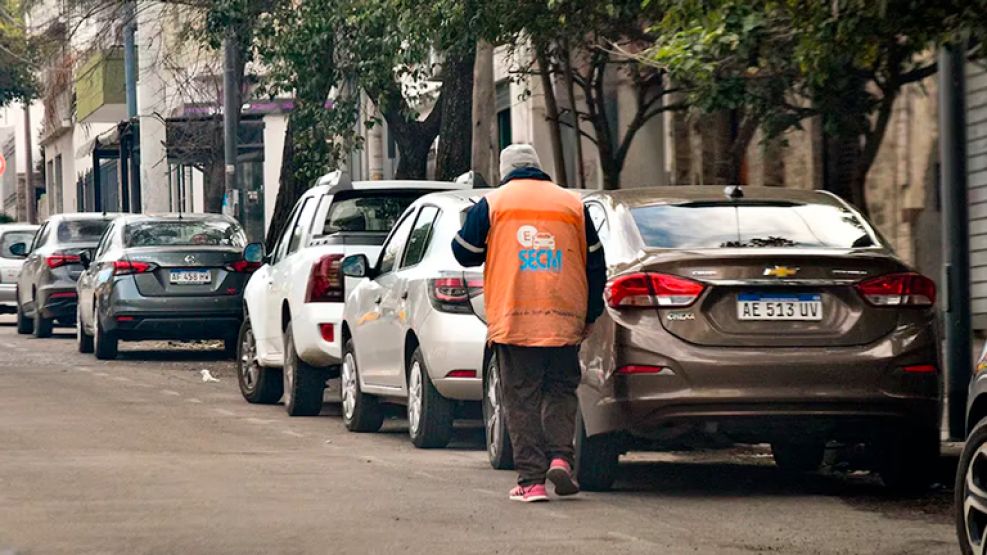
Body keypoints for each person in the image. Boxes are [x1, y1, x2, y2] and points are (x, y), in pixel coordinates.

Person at [452, 144, 606, 502]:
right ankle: (561, 459)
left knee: (521, 398)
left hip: (515, 317)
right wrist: (590, 314)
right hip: (564, 316)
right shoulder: (572, 204)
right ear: (539, 167)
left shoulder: (493, 203)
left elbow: (463, 252)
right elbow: (596, 264)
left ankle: (532, 481)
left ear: (505, 171)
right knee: (560, 390)